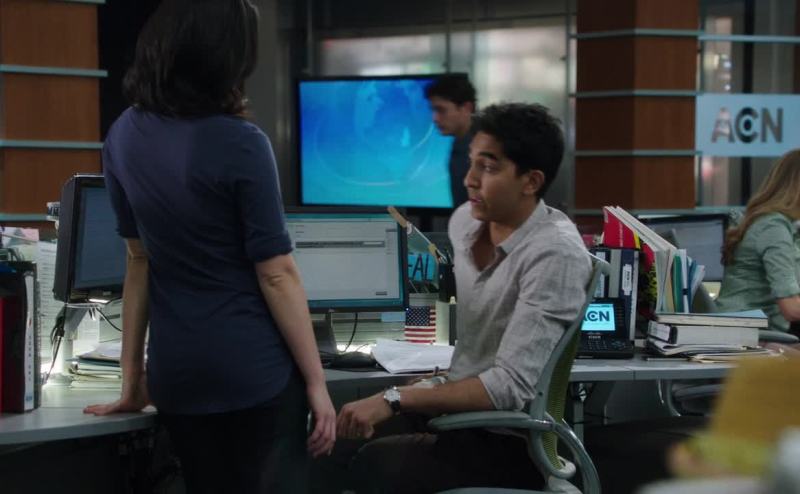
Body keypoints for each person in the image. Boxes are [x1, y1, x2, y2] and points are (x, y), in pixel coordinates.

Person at [83, 1, 336, 492]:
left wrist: (132, 380)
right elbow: (276, 273)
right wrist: (317, 382)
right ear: (224, 60)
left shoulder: (123, 135)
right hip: (252, 373)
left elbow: (138, 261)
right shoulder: (242, 142)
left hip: (178, 378)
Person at [335, 103, 592, 493]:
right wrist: (426, 388)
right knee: (331, 431)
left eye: (488, 167)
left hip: (506, 446)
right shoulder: (471, 226)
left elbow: (507, 386)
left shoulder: (554, 254)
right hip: (468, 425)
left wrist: (394, 397)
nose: (469, 179)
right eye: (472, 163)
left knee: (353, 459)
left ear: (531, 181)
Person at [716, 149, 800, 335]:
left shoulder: (781, 225)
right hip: (746, 333)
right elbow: (791, 307)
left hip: (752, 330)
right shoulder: (773, 226)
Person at [424, 74, 477, 209]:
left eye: (441, 110)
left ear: (467, 108)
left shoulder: (482, 150)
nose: (435, 118)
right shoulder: (460, 143)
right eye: (434, 110)